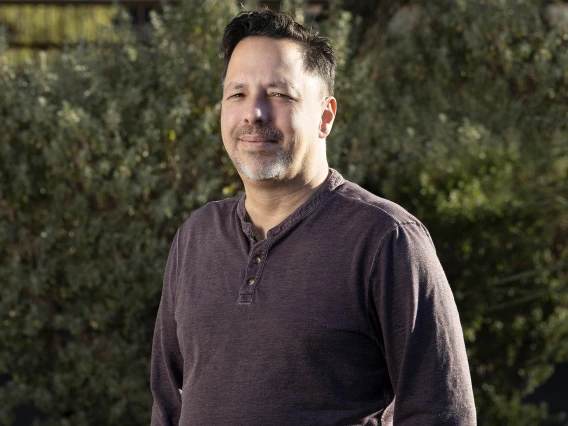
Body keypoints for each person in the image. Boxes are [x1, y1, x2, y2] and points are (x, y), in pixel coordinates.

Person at [150, 9, 477, 426]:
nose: (254, 113)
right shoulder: (195, 238)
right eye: (237, 94)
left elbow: (441, 412)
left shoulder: (386, 239)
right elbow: (167, 402)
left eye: (280, 95)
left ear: (325, 116)